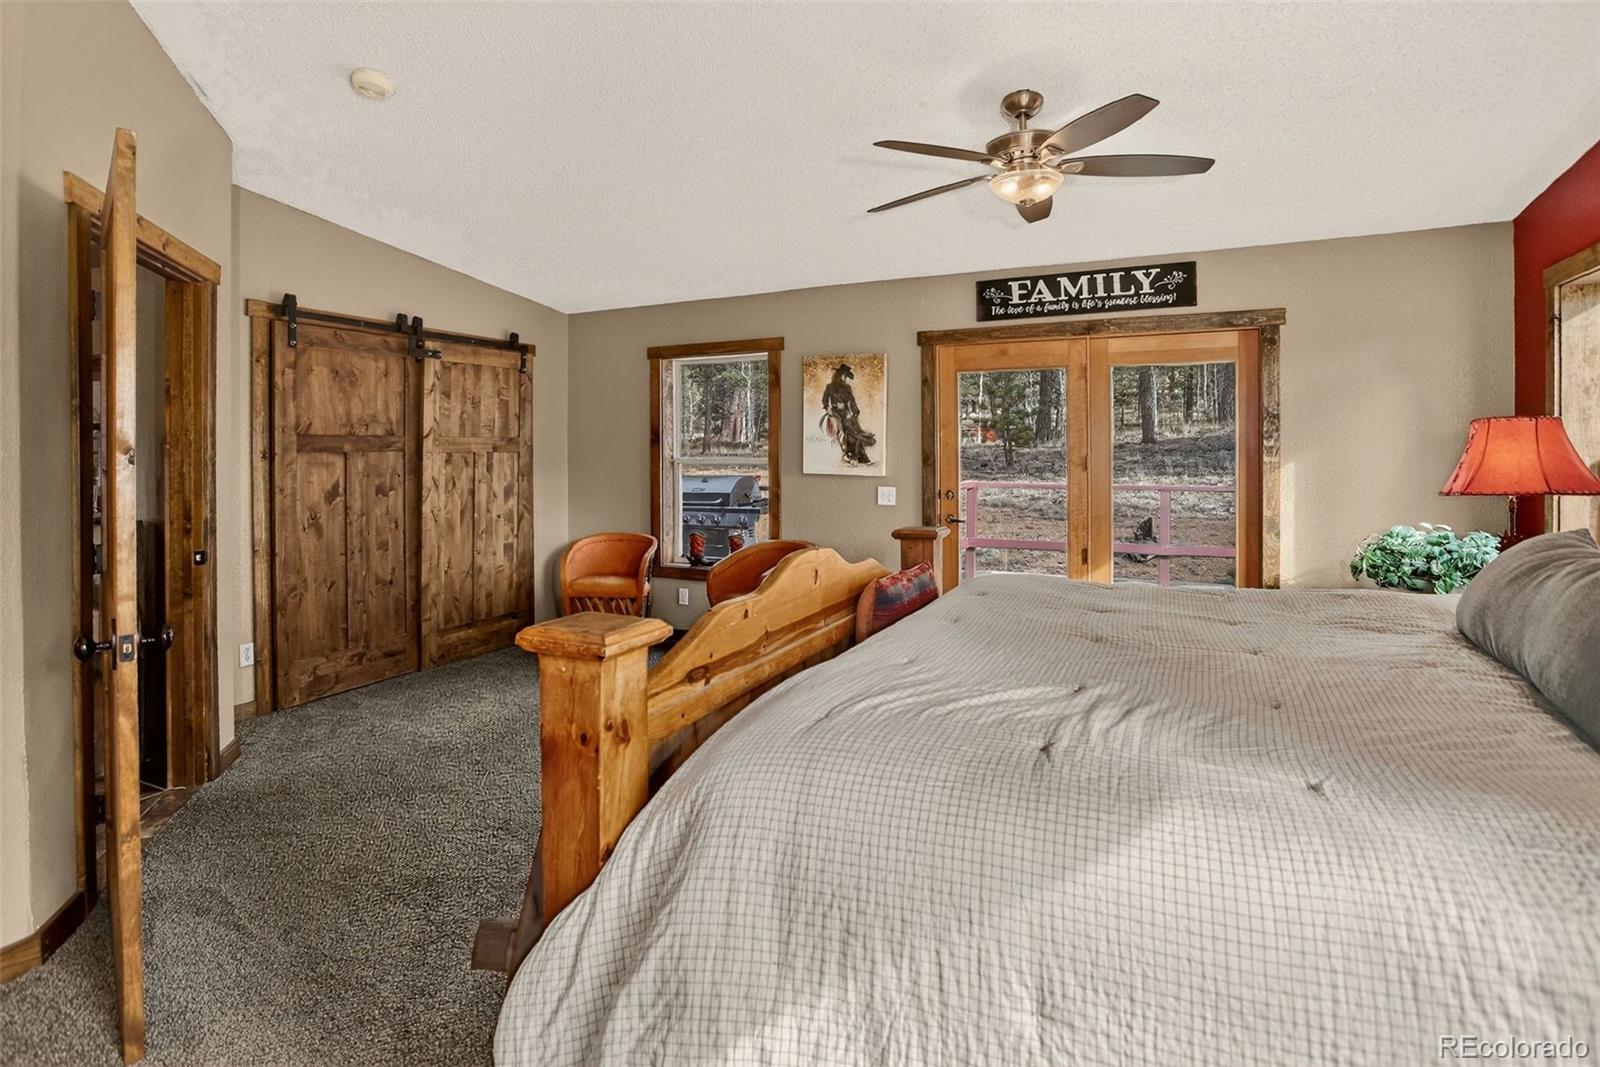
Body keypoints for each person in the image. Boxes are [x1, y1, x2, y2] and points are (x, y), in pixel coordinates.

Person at [819, 363, 876, 466]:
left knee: (854, 430)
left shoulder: (847, 388)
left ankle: (861, 458)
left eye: (846, 376)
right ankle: (851, 455)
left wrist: (855, 412)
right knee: (846, 429)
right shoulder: (830, 387)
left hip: (845, 413)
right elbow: (824, 400)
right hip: (835, 413)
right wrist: (827, 408)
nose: (845, 379)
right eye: (844, 376)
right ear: (840, 375)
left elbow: (852, 401)